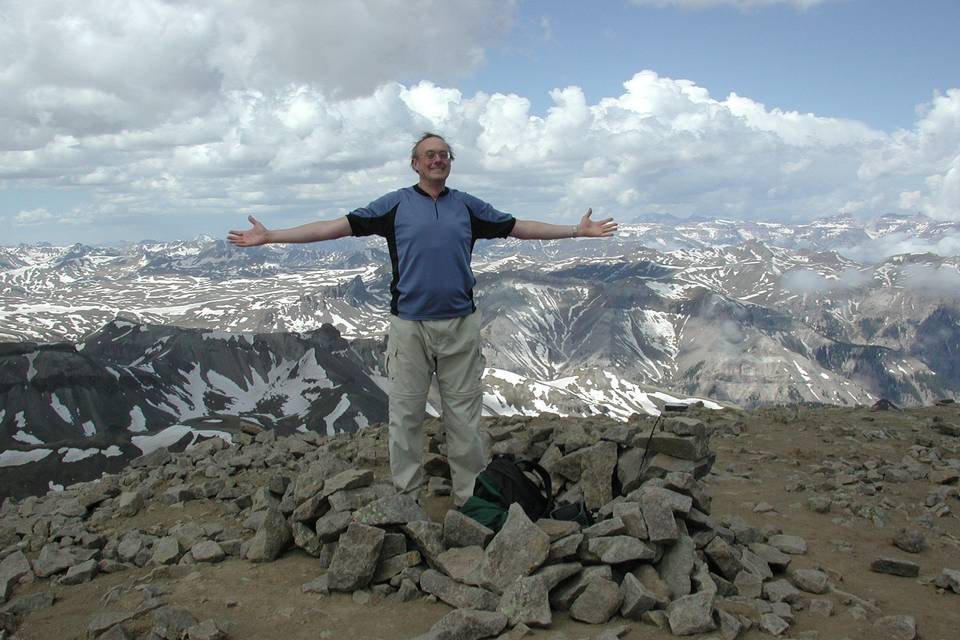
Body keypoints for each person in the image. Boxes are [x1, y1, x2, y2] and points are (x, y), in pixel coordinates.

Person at [228, 132, 617, 505]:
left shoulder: (467, 206)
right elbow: (334, 228)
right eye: (429, 154)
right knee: (406, 416)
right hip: (409, 327)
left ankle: (470, 500)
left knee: (464, 417)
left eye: (444, 154)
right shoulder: (394, 204)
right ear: (415, 164)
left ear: (450, 163)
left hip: (460, 326)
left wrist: (574, 231)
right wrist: (272, 236)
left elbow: (519, 228)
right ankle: (407, 498)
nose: (437, 159)